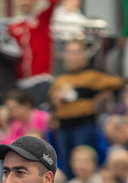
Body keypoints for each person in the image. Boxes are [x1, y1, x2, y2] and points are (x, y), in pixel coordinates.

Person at [49, 40, 123, 173]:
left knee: (84, 162)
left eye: (76, 52)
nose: (73, 57)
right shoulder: (61, 78)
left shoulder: (93, 74)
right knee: (66, 164)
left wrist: (100, 96)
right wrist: (57, 97)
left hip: (83, 125)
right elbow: (51, 99)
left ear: (84, 54)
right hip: (63, 127)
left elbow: (117, 83)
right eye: (70, 53)